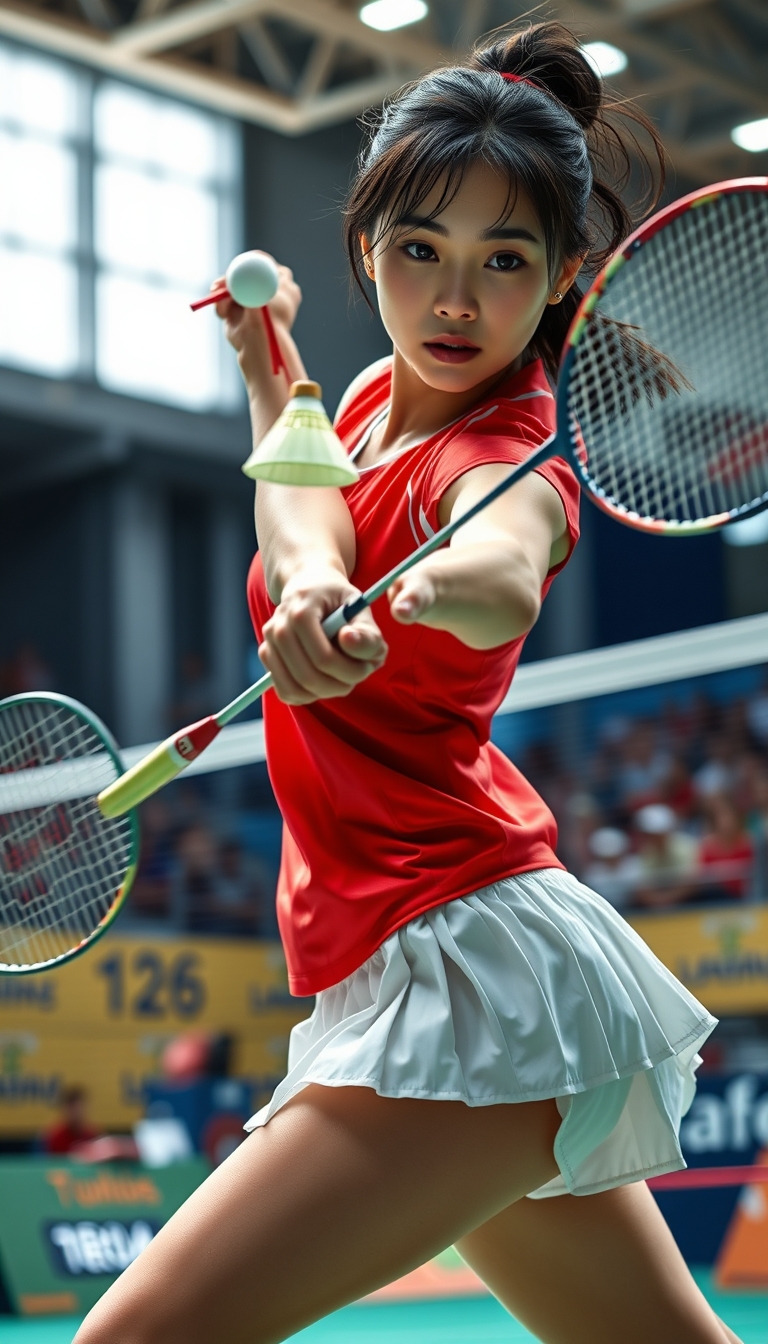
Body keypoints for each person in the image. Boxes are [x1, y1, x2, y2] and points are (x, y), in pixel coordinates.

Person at [74, 23, 739, 1344]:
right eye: (421, 251)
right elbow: (307, 505)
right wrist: (276, 390)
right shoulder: (372, 395)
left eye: (506, 263)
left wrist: (430, 593)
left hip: (462, 964)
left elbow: (504, 558)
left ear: (559, 283)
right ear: (367, 248)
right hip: (397, 959)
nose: (456, 301)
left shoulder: (516, 453)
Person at [43, 1085, 99, 1156]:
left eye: (79, 1109)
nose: (77, 1114)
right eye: (73, 1110)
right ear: (65, 1110)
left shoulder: (92, 1135)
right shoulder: (55, 1137)